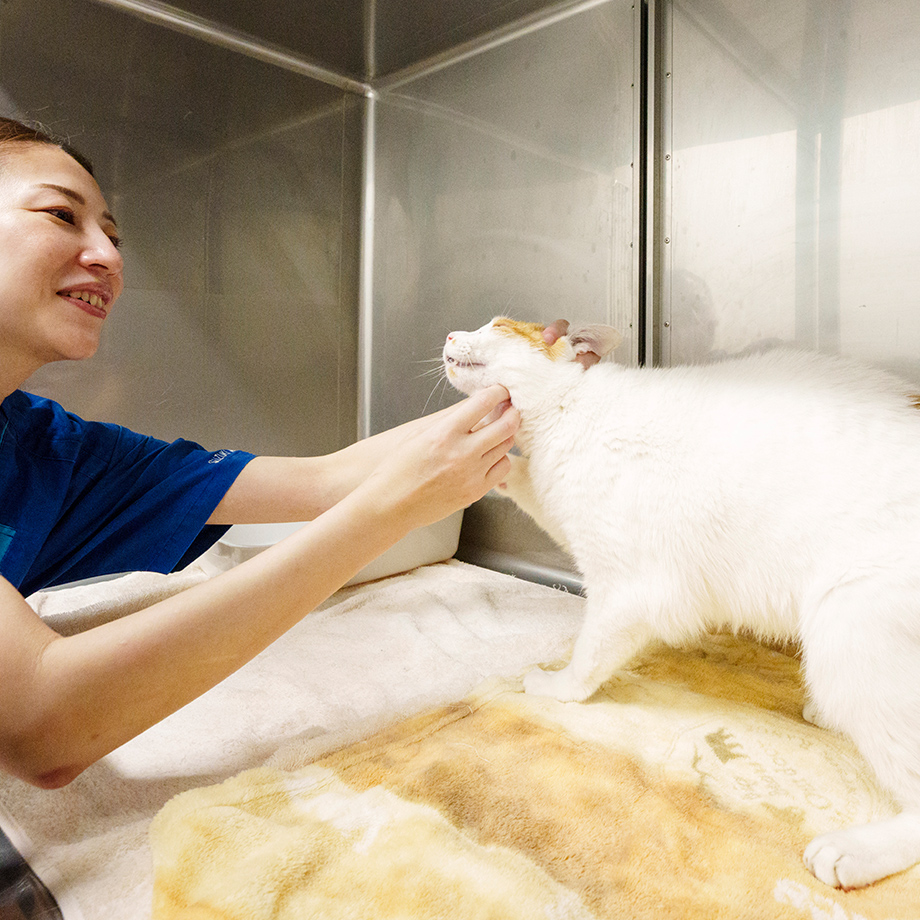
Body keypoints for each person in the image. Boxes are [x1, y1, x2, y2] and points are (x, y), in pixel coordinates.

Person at [0, 116, 574, 790]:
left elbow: (323, 479)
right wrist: (387, 513)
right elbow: (44, 724)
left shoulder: (49, 450)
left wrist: (529, 391)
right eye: (62, 215)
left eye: (113, 234)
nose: (108, 255)